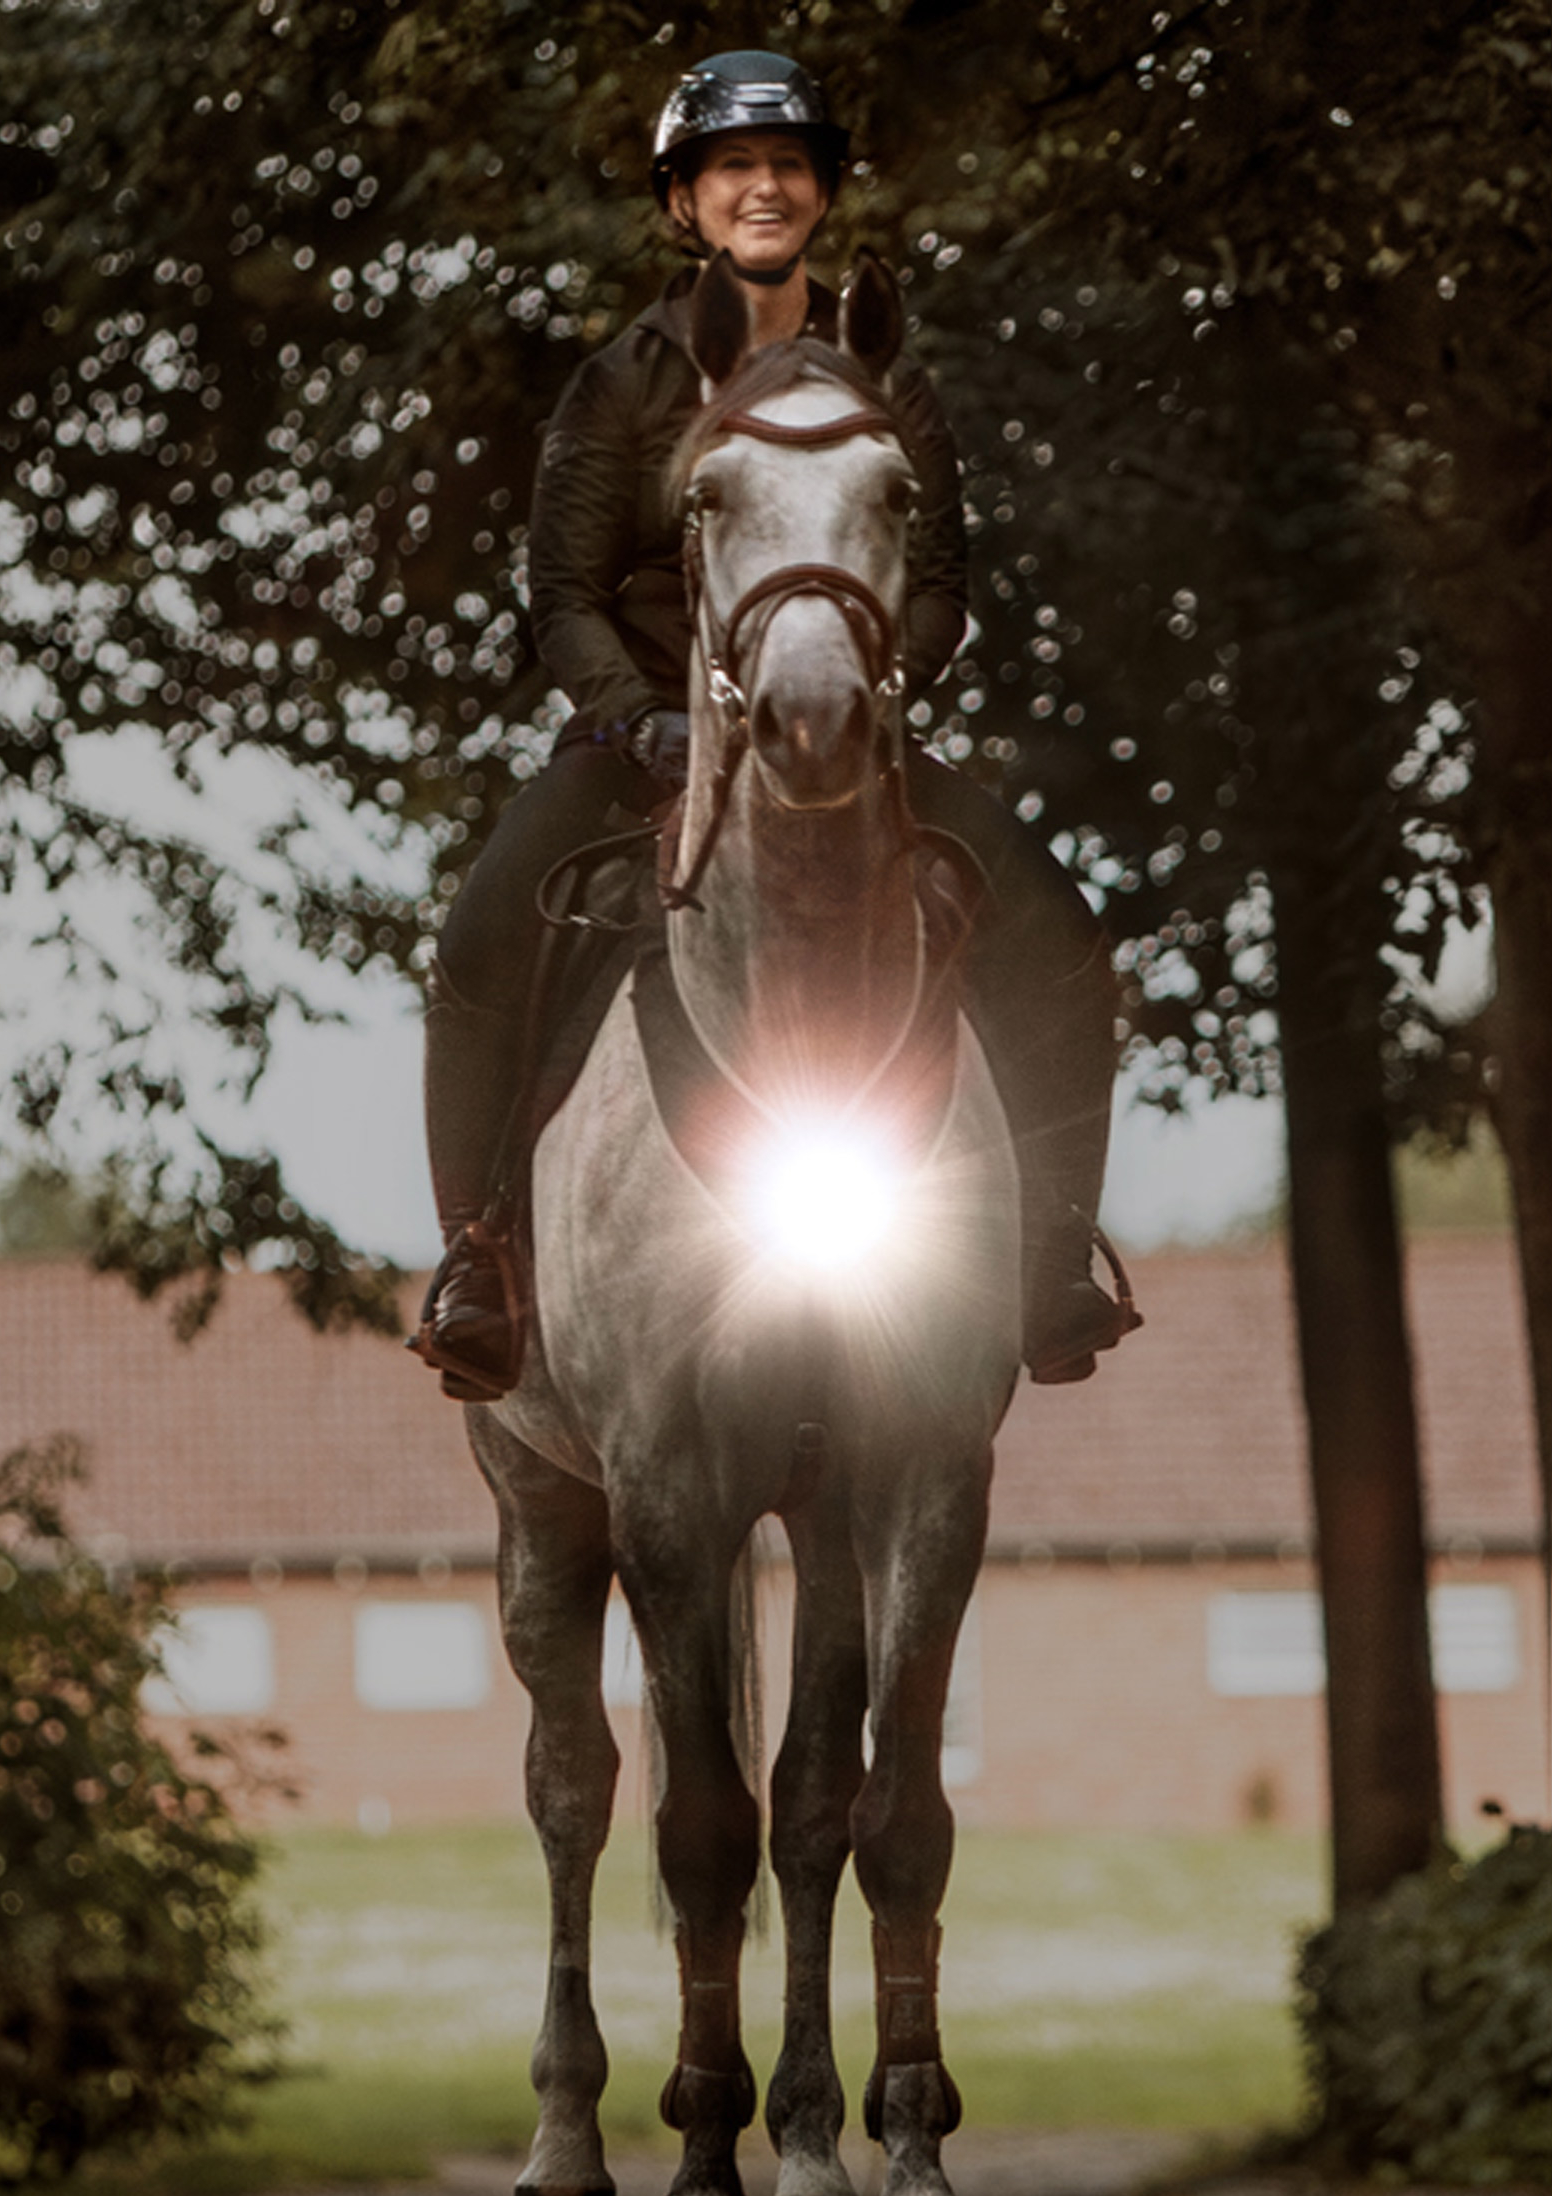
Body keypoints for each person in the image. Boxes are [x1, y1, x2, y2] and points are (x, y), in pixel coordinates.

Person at [415, 49, 1137, 1400]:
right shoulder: (620, 384)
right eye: (733, 167)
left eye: (788, 165)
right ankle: (480, 1250)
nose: (764, 187)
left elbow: (943, 586)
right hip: (647, 746)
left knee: (1063, 943)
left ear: (821, 193)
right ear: (685, 202)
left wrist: (881, 693)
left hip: (845, 736)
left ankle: (1046, 1262)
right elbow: (563, 596)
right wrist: (642, 726)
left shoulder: (887, 374)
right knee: (475, 945)